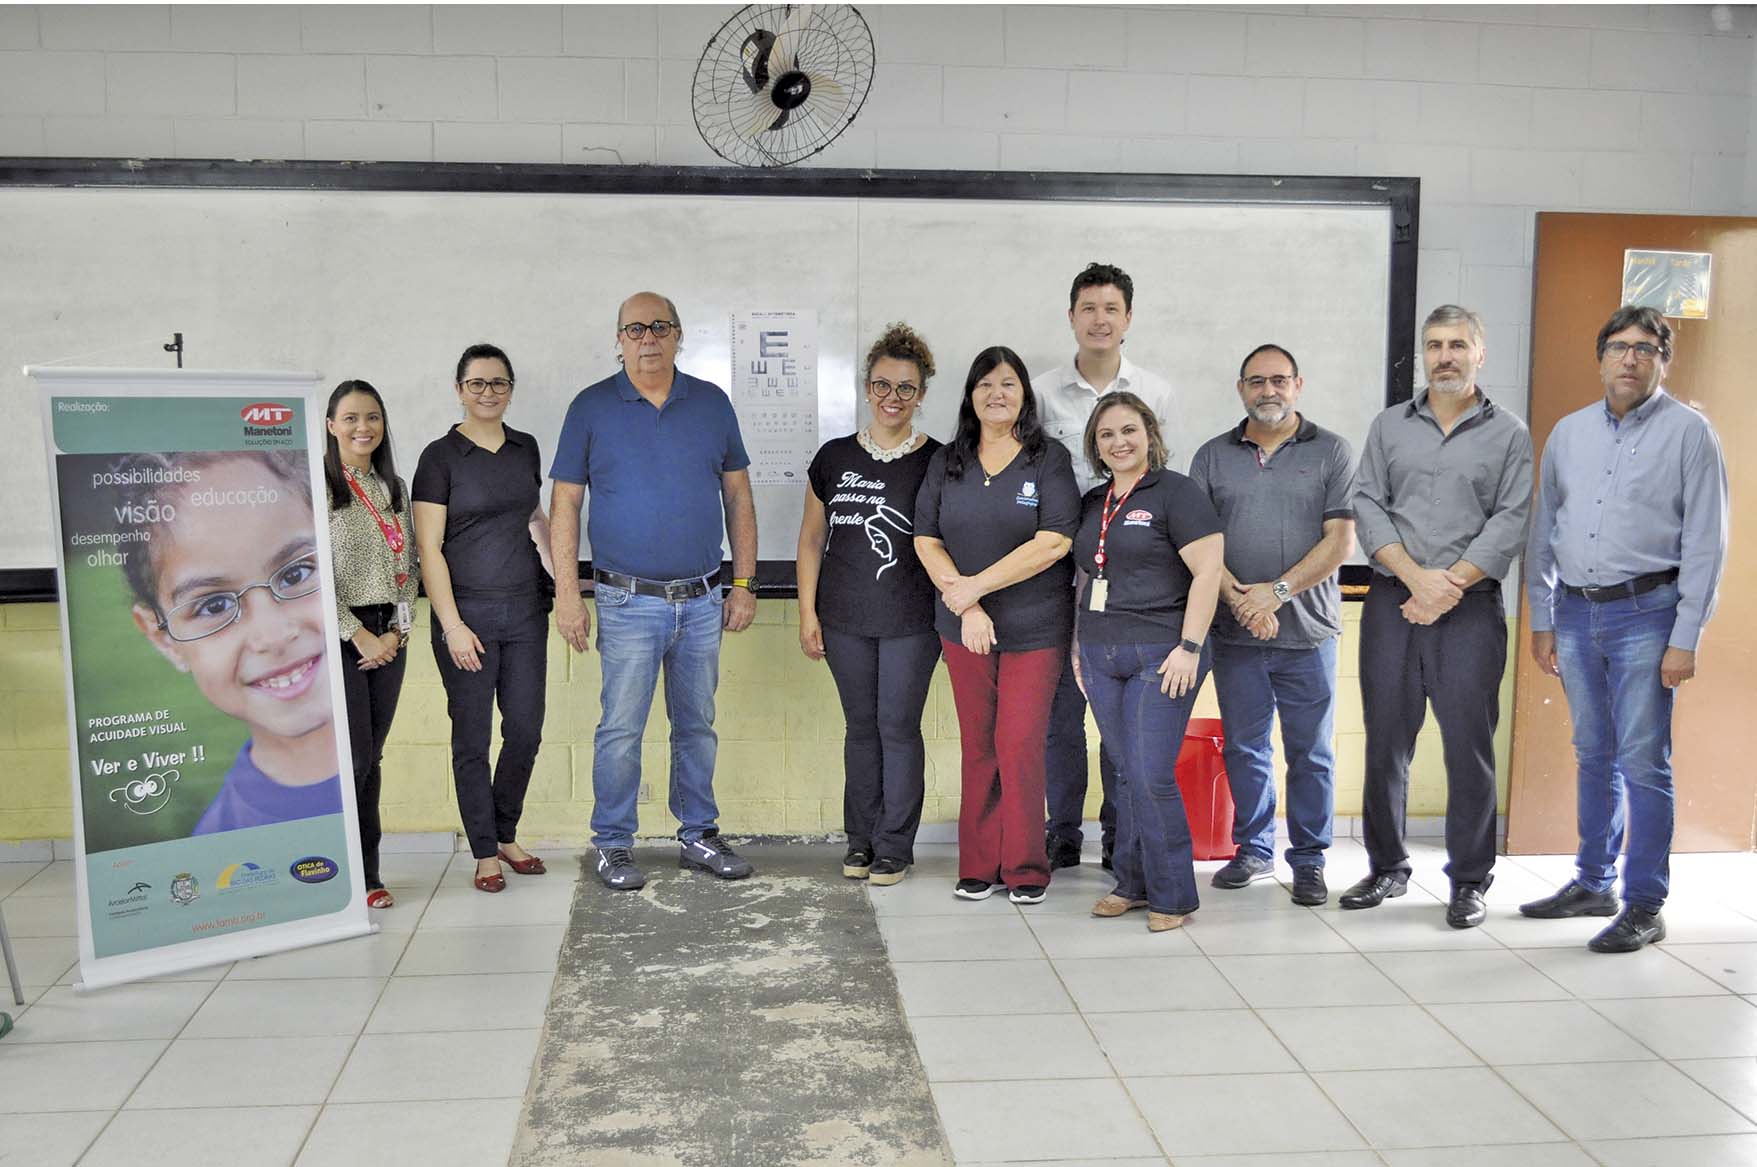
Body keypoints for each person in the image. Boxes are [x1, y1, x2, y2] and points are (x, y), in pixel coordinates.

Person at [1520, 305, 1728, 953]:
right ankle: (1593, 882)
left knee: (1642, 760)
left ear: (1663, 360)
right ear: (1600, 358)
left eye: (1645, 348)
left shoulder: (1690, 434)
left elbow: (1706, 541)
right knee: (1593, 752)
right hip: (1576, 613)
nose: (1630, 359)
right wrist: (1542, 615)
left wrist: (1685, 636)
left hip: (1647, 614)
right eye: (1618, 347)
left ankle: (1644, 902)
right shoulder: (1569, 433)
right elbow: (1543, 530)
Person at [550, 292, 759, 891]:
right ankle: (613, 844)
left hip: (702, 599)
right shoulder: (590, 407)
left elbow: (738, 495)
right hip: (626, 601)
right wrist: (567, 593)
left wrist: (744, 583)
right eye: (636, 329)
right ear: (619, 339)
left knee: (697, 726)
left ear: (678, 335)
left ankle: (698, 834)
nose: (649, 338)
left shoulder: (711, 403)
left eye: (660, 327)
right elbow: (565, 503)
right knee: (621, 730)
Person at [1344, 304, 1533, 928]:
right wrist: (1416, 578)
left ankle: (1470, 881)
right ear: (1422, 354)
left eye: (1456, 344)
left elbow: (1511, 518)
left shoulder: (1509, 434)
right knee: (1385, 741)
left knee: (1468, 747)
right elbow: (1367, 504)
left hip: (1469, 607)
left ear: (1480, 353)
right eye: (1434, 345)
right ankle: (1386, 867)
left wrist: (1448, 584)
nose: (1444, 356)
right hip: (1392, 601)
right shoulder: (1388, 426)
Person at [1189, 345, 1356, 907]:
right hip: (1235, 634)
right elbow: (1198, 543)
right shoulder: (1212, 457)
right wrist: (1242, 600)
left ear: (1297, 385)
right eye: (1257, 381)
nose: (1269, 391)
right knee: (1245, 747)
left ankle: (1309, 860)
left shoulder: (1332, 451)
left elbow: (1340, 542)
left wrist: (1275, 593)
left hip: (1309, 634)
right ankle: (1254, 849)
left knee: (1311, 752)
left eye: (1279, 380)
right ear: (1241, 388)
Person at [914, 347, 1080, 905]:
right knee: (979, 744)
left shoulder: (1047, 458)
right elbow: (926, 539)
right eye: (985, 384)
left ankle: (1027, 867)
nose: (996, 394)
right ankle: (979, 865)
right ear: (970, 395)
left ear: (1024, 394)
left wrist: (975, 588)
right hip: (963, 626)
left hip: (1035, 627)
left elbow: (1054, 541)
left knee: (1019, 743)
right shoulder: (949, 460)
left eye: (1008, 383)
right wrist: (966, 606)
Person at [1036, 263, 1179, 871]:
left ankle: (1122, 833)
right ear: (1071, 317)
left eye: (1111, 308)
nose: (1100, 319)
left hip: (1130, 580)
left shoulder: (1156, 391)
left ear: (1128, 318)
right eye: (1088, 308)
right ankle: (1062, 831)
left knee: (1122, 717)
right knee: (1061, 714)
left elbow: (1164, 482)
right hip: (1054, 571)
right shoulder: (1040, 393)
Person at [120, 449, 342, 835]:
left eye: (296, 574)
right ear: (164, 639)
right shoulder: (221, 840)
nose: (272, 636)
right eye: (214, 605)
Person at [797, 323, 944, 887]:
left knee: (898, 727)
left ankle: (894, 846)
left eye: (906, 388)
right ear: (866, 387)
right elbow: (811, 539)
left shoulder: (939, 461)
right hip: (843, 618)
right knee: (860, 728)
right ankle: (859, 840)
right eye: (882, 385)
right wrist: (807, 613)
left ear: (921, 394)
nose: (892, 397)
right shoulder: (833, 457)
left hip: (913, 619)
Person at [1075, 392, 1224, 932]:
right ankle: (1132, 884)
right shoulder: (1093, 501)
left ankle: (1174, 894)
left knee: (1150, 773)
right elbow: (1086, 576)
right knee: (1123, 772)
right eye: (1107, 434)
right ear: (1095, 445)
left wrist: (1190, 647)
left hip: (1162, 654)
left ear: (1150, 435)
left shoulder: (1177, 493)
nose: (1119, 442)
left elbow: (1208, 572)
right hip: (1100, 652)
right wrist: (1078, 648)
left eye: (1129, 430)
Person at [412, 343, 553, 894]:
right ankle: (485, 851)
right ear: (459, 390)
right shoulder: (439, 457)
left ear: (510, 390)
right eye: (477, 383)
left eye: (498, 383)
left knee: (525, 730)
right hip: (465, 618)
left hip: (525, 613)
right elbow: (429, 548)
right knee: (472, 738)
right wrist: (451, 625)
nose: (488, 392)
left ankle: (505, 832)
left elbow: (534, 519)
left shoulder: (526, 448)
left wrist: (564, 579)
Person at [324, 380, 417, 910]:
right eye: (352, 418)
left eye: (373, 417)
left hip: (389, 634)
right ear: (331, 425)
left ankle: (369, 872)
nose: (364, 428)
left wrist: (396, 633)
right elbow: (307, 572)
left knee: (372, 757)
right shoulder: (316, 485)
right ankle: (346, 875)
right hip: (342, 633)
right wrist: (356, 632)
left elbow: (409, 568)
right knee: (354, 757)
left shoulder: (393, 487)